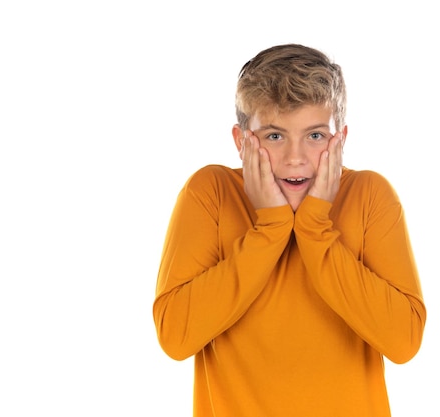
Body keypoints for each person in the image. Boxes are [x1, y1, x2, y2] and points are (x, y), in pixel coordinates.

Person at [153, 43, 426, 416]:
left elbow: (403, 342)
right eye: (274, 136)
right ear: (241, 141)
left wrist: (314, 227)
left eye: (314, 136)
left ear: (340, 141)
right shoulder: (210, 193)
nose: (295, 158)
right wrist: (270, 228)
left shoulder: (369, 195)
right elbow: (175, 337)